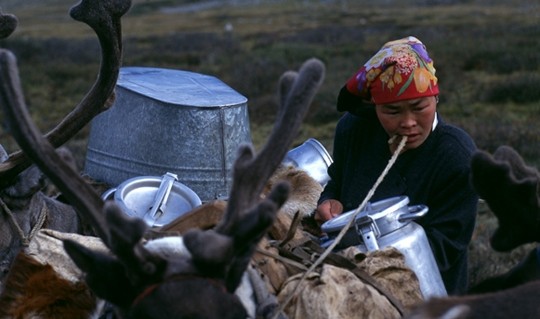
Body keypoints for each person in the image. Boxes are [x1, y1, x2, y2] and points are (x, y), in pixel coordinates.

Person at [314, 36, 478, 295]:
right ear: (375, 106)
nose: (408, 122)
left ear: (435, 98)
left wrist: (365, 259)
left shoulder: (456, 156)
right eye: (392, 111)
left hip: (426, 295)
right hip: (348, 282)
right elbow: (337, 179)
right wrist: (330, 199)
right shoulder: (353, 129)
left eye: (419, 107)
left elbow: (445, 248)